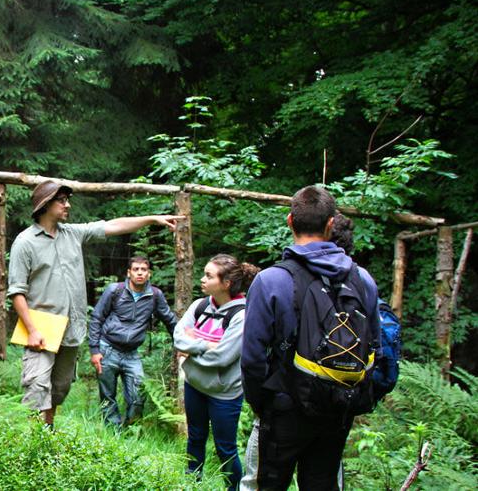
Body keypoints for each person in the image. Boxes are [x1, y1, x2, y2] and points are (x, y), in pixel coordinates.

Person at [7, 180, 180, 427]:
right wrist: (32, 330)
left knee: (59, 388)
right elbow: (17, 292)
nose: (68, 205)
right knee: (37, 387)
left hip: (71, 326)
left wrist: (152, 218)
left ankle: (47, 434)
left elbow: (113, 226)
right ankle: (36, 443)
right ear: (45, 205)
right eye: (62, 201)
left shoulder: (73, 233)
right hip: (40, 326)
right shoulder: (25, 242)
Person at [242, 186, 380, 490]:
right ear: (331, 224)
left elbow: (252, 357)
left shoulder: (271, 280)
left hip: (283, 407)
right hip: (337, 406)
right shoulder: (363, 280)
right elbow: (376, 347)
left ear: (290, 221)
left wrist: (260, 402)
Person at [175, 254, 259, 490]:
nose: (202, 279)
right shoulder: (200, 305)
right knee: (195, 439)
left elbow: (222, 357)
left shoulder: (242, 315)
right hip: (195, 385)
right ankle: (191, 483)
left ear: (227, 283)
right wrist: (206, 345)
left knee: (226, 448)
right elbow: (178, 337)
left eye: (209, 276)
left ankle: (233, 488)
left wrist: (194, 347)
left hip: (224, 393)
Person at [89, 255, 177, 427]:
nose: (140, 273)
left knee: (138, 396)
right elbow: (97, 318)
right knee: (107, 396)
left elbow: (170, 320)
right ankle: (113, 434)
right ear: (129, 273)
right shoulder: (115, 290)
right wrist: (94, 350)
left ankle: (130, 430)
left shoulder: (155, 295)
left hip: (132, 354)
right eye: (136, 269)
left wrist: (182, 344)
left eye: (143, 270)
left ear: (149, 274)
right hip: (107, 349)